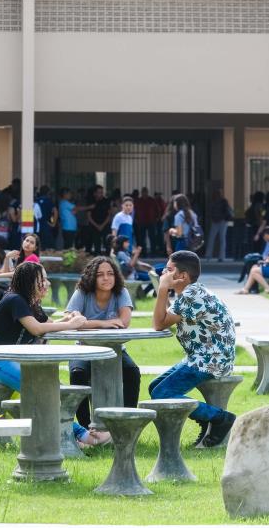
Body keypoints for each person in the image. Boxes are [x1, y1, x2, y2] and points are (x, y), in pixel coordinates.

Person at [0, 262, 108, 446]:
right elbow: (37, 329)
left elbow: (50, 325)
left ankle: (71, 436)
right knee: (43, 392)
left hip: (12, 361)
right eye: (42, 279)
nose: (47, 283)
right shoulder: (15, 300)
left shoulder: (31, 304)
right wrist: (70, 324)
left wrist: (69, 319)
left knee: (54, 387)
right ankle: (82, 436)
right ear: (30, 281)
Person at [149, 250, 237, 448]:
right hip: (202, 356)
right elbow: (164, 318)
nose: (163, 273)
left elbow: (158, 324)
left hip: (211, 360)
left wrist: (162, 289)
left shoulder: (191, 296)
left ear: (182, 276)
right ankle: (204, 418)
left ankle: (221, 418)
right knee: (155, 387)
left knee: (161, 394)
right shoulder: (192, 292)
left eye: (168, 270)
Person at [66, 256, 137, 429]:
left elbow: (124, 322)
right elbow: (71, 319)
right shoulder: (82, 292)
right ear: (92, 276)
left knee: (132, 372)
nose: (106, 278)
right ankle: (86, 428)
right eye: (100, 274)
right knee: (77, 373)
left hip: (115, 350)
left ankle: (126, 424)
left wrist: (86, 323)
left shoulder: (121, 292)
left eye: (110, 273)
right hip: (84, 348)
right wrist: (104, 323)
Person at [205, 188, 233, 262]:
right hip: (217, 221)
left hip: (221, 221)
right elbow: (210, 211)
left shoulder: (223, 201)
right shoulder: (215, 202)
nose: (217, 195)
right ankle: (210, 255)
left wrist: (215, 217)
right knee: (214, 238)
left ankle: (220, 256)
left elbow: (226, 211)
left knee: (220, 238)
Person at [86, 185, 111, 255]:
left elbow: (109, 215)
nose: (101, 194)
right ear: (95, 193)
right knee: (96, 244)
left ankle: (108, 257)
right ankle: (97, 257)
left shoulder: (106, 201)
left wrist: (102, 225)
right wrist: (97, 226)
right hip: (94, 225)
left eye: (102, 192)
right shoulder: (91, 202)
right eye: (99, 192)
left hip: (105, 225)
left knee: (107, 243)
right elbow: (88, 216)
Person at [134, 187, 159, 256]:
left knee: (152, 237)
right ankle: (143, 252)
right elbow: (135, 211)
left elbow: (157, 209)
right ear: (141, 193)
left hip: (151, 221)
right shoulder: (138, 201)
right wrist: (136, 219)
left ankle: (153, 251)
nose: (144, 193)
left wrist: (157, 218)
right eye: (143, 192)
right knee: (142, 238)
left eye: (145, 192)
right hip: (141, 222)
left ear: (147, 192)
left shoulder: (152, 200)